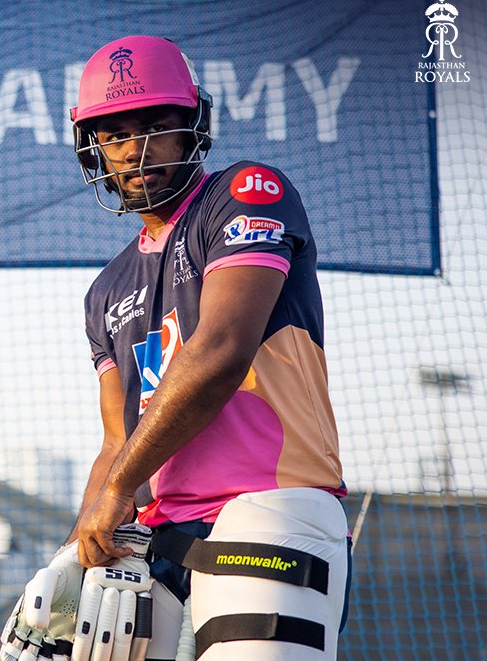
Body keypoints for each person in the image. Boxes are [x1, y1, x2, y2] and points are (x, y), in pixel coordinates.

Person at [64, 35, 351, 659]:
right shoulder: (104, 290)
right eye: (115, 135)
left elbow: (219, 350)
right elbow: (117, 444)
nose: (136, 151)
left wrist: (117, 491)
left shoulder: (247, 192)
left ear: (194, 124)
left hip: (271, 507)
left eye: (156, 126)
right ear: (94, 151)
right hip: (161, 540)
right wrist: (73, 555)